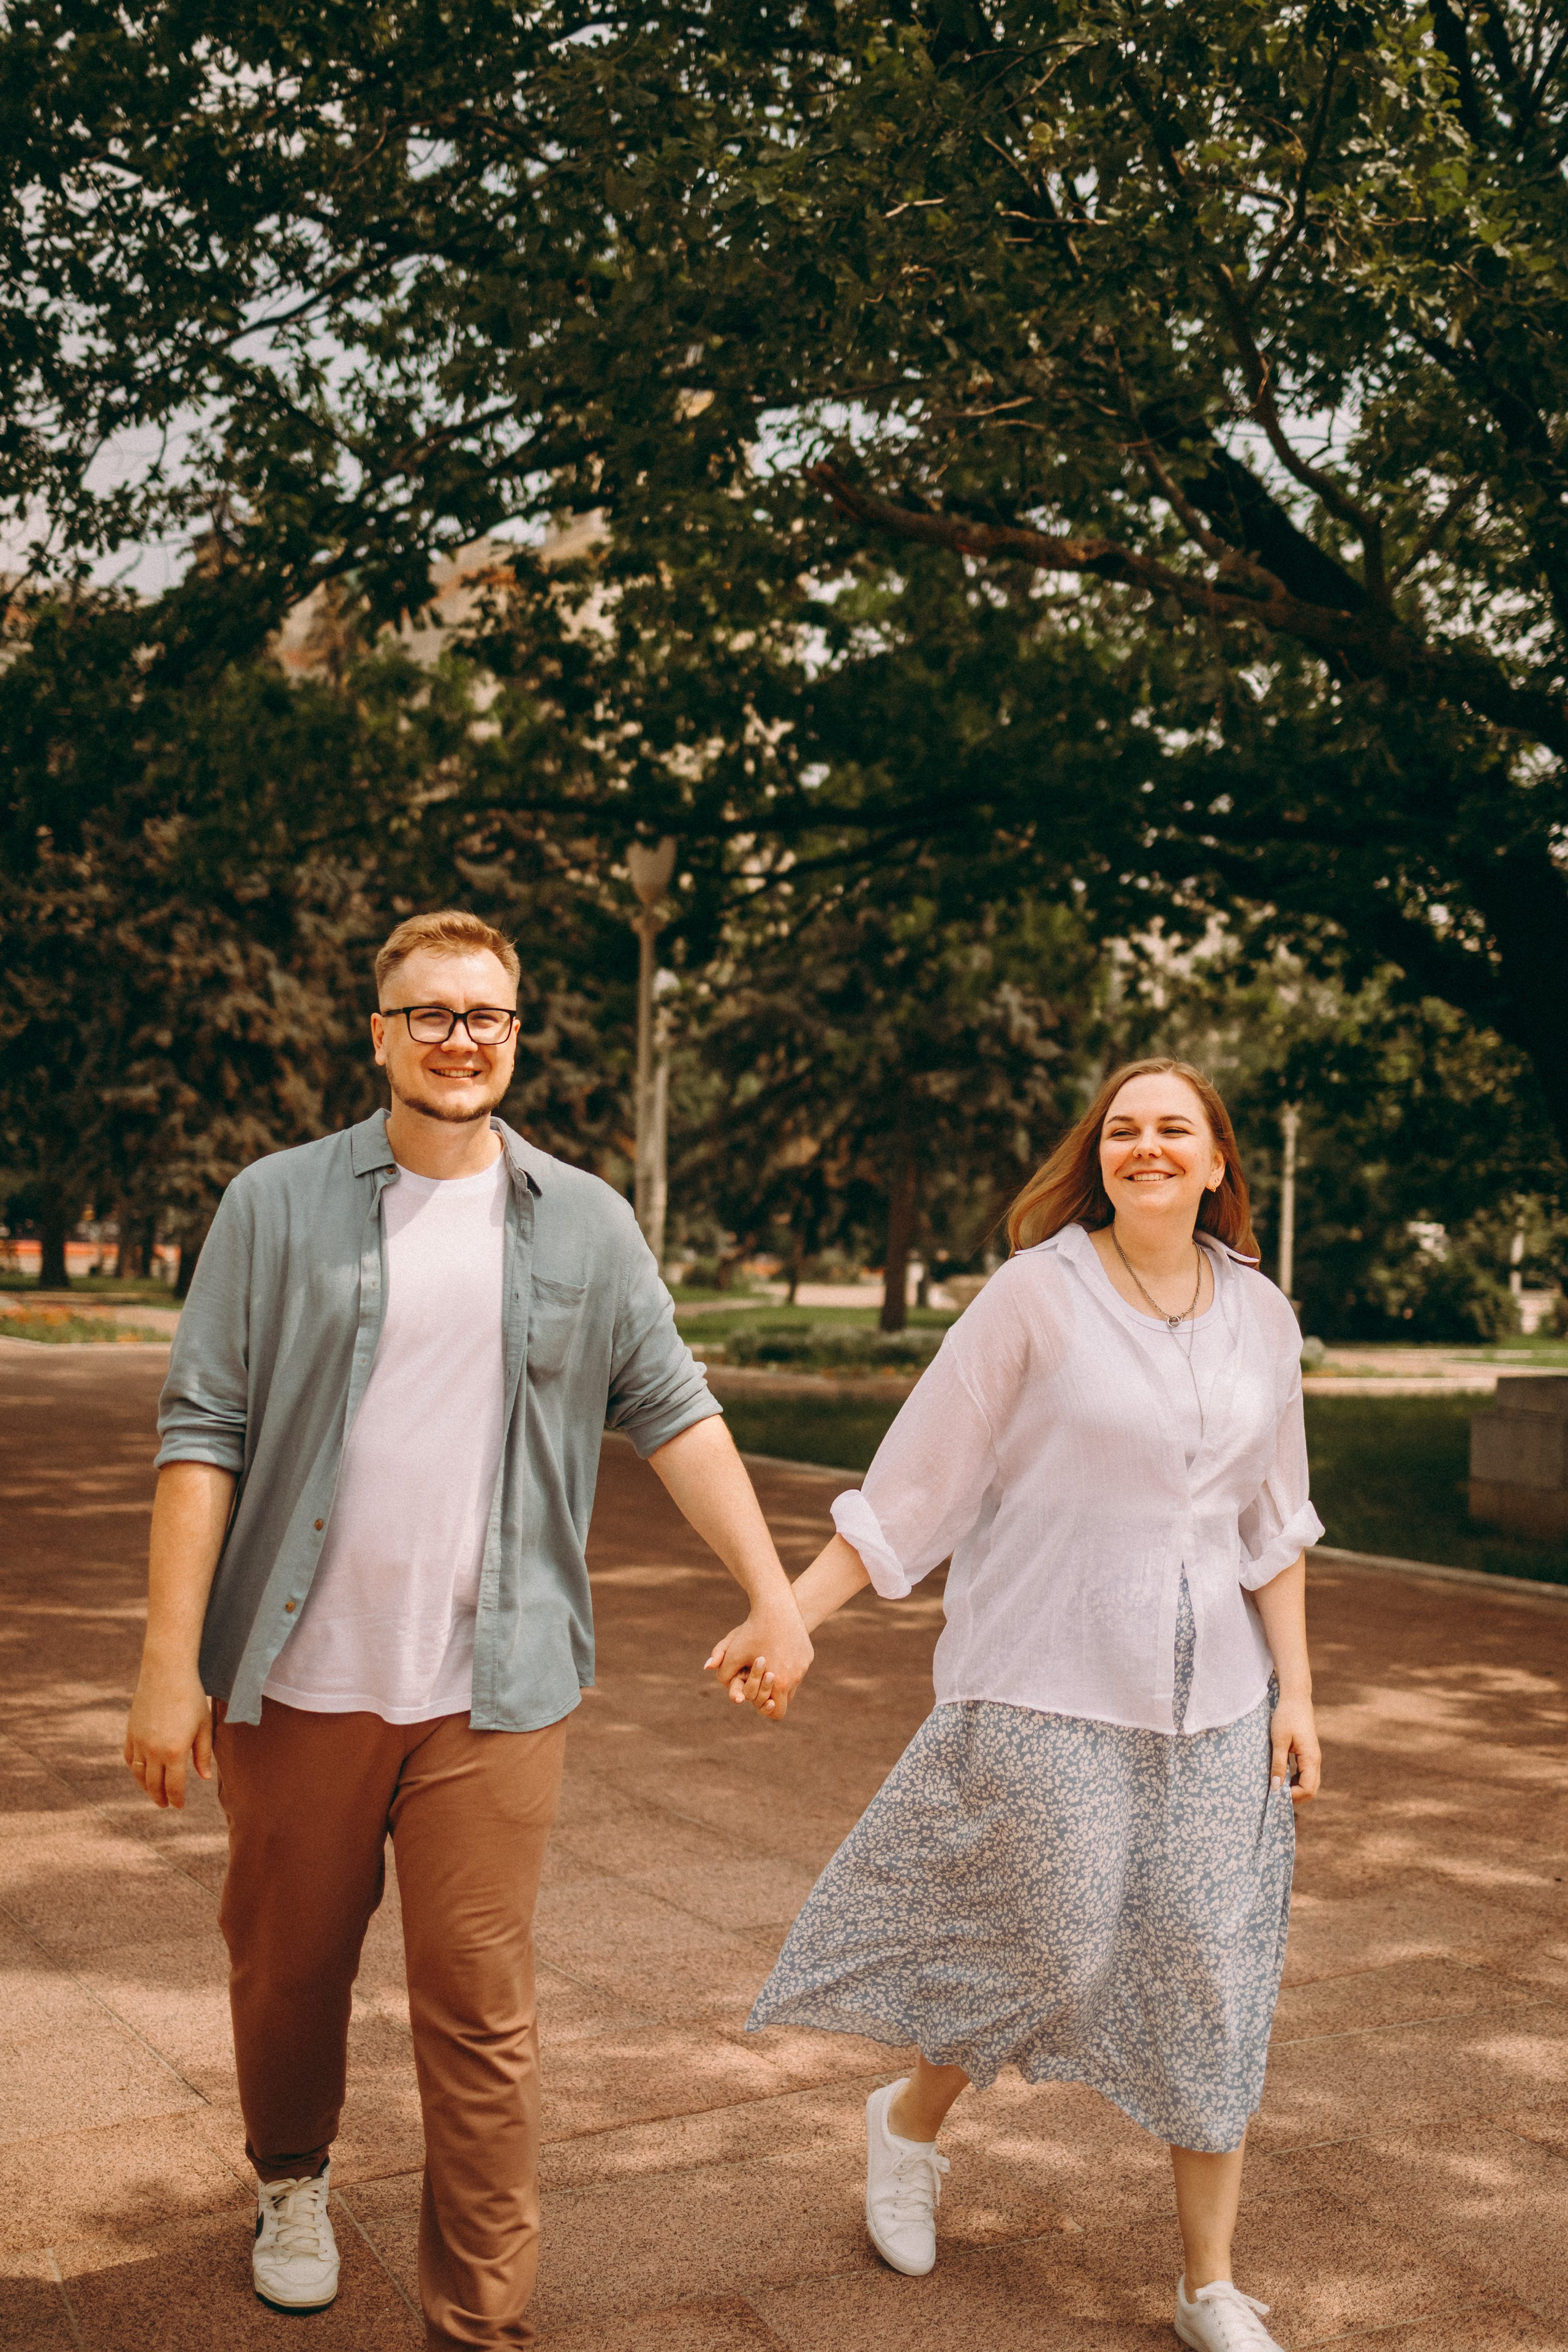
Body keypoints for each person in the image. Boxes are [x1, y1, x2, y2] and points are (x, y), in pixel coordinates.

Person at [123, 908, 813, 2349]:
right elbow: (203, 1433)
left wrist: (771, 1591)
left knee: (481, 2015)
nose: (457, 1038)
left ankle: (479, 2324)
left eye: (483, 1017)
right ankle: (292, 2180)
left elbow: (674, 1409)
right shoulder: (276, 1204)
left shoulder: (584, 1221)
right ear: (377, 1035)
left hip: (492, 1691)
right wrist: (165, 1665)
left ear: (515, 1036)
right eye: (428, 1014)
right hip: (296, 1680)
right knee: (288, 1969)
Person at [707, 1058, 1323, 2352]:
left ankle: (1206, 2284)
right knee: (1048, 1944)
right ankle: (909, 2121)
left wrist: (1297, 1698)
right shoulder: (1032, 1297)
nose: (1143, 1148)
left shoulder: (1261, 1314)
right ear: (1096, 1156)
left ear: (1218, 1163)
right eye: (1121, 1131)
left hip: (1217, 1697)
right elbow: (913, 1488)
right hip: (1045, 1676)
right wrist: (789, 1618)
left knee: (1210, 1975)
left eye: (1173, 1131)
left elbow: (1272, 1525)